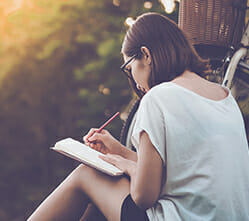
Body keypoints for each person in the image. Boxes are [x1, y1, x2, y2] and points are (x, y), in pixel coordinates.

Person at [27, 12, 249, 221]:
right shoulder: (225, 97)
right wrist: (119, 152)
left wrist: (125, 165)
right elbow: (181, 169)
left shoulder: (158, 97)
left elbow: (144, 196)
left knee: (87, 175)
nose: (134, 81)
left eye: (128, 67)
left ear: (146, 55)